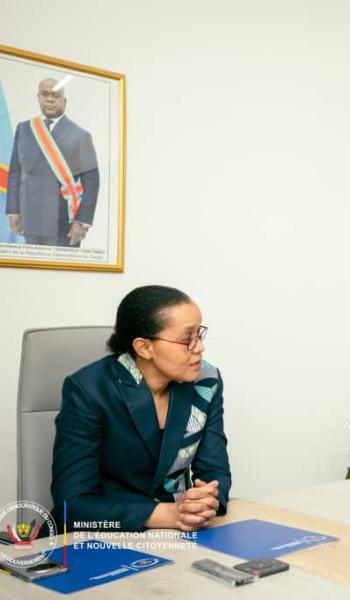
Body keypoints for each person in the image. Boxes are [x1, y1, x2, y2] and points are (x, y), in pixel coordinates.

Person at [51, 285, 231, 532]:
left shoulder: (206, 380)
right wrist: (168, 515)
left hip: (180, 534)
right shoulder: (89, 390)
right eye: (187, 339)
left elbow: (215, 471)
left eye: (199, 334)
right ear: (144, 347)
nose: (199, 347)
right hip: (101, 535)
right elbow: (71, 506)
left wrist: (206, 502)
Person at [6, 78, 99, 247]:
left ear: (65, 101)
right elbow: (15, 172)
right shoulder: (24, 129)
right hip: (30, 220)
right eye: (45, 94)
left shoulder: (80, 135)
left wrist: (82, 221)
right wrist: (14, 211)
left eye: (56, 95)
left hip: (64, 224)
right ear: (38, 97)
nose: (50, 99)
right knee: (31, 272)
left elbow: (92, 183)